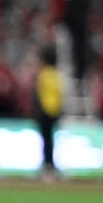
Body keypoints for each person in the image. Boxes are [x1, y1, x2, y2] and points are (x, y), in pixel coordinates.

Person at [33, 46, 63, 181]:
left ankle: (47, 166)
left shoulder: (43, 75)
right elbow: (60, 95)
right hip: (54, 113)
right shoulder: (57, 75)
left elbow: (38, 95)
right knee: (51, 141)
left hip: (44, 113)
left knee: (46, 141)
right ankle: (51, 166)